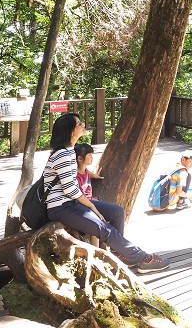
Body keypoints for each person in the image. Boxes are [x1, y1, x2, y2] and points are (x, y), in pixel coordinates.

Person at [45, 112, 169, 273]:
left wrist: (91, 183)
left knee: (117, 212)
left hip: (73, 202)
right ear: (71, 131)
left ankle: (122, 254)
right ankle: (142, 258)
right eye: (79, 124)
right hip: (61, 207)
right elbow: (70, 189)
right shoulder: (61, 154)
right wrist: (93, 208)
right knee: (103, 227)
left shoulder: (69, 151)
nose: (83, 125)